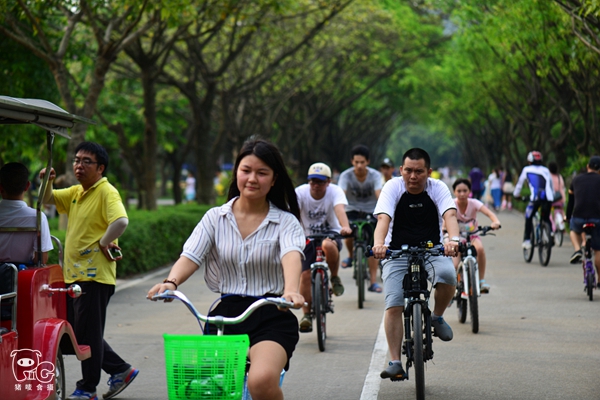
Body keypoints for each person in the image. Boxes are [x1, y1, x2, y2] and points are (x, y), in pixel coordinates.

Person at [147, 138, 305, 400]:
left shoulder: (285, 222)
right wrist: (171, 283)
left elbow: (291, 255)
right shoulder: (215, 217)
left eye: (262, 173)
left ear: (274, 179)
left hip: (272, 314)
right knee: (207, 391)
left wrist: (291, 290)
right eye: (246, 170)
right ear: (236, 173)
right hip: (226, 315)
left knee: (262, 381)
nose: (252, 178)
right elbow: (191, 256)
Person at [39, 142, 137, 400]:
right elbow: (48, 199)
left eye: (86, 161)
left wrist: (103, 243)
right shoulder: (76, 192)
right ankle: (120, 370)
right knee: (78, 331)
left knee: (88, 334)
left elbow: (121, 221)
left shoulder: (106, 191)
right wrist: (47, 181)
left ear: (100, 168)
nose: (78, 165)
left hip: (94, 277)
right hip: (75, 277)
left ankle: (87, 388)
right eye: (76, 160)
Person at [372, 148, 459, 381]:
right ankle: (395, 362)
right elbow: (383, 219)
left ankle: (437, 317)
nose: (413, 176)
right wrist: (379, 244)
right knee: (394, 305)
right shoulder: (392, 187)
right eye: (408, 171)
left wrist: (454, 241)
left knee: (449, 276)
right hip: (396, 252)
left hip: (432, 250)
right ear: (400, 170)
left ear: (428, 172)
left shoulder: (438, 188)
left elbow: (450, 215)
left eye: (419, 171)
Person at [295, 162, 352, 332]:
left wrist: (345, 226)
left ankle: (334, 277)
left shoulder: (335, 191)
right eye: (312, 181)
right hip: (307, 236)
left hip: (332, 233)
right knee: (305, 275)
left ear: (328, 182)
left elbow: (340, 209)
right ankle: (306, 314)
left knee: (328, 245)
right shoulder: (300, 192)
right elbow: (294, 213)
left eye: (320, 182)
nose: (316, 185)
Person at [338, 145, 383, 293]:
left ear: (368, 162)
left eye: (362, 162)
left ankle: (373, 281)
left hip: (371, 210)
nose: (359, 166)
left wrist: (383, 210)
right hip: (351, 210)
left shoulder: (375, 176)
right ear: (352, 161)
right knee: (348, 230)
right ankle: (351, 255)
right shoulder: (346, 176)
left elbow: (379, 194)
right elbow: (341, 196)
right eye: (356, 162)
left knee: (372, 243)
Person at [450, 178, 501, 293]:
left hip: (473, 235)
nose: (462, 194)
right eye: (459, 191)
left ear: (470, 191)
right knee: (454, 263)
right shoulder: (451, 204)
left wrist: (495, 222)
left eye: (465, 190)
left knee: (480, 249)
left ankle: (481, 280)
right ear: (454, 192)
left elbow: (489, 213)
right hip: (457, 237)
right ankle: (452, 287)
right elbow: (444, 218)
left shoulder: (474, 203)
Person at [0, 162, 53, 264]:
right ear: (27, 186)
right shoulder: (37, 217)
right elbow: (41, 260)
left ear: (0, 187)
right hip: (22, 276)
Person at [513, 151, 555, 250]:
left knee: (528, 216)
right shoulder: (546, 170)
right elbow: (551, 186)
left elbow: (519, 184)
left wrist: (516, 195)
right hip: (548, 199)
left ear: (530, 161)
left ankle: (527, 240)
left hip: (535, 199)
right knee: (546, 217)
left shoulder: (526, 169)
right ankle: (550, 233)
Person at [566, 155, 600, 268]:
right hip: (597, 218)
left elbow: (570, 201)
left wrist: (568, 216)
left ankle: (577, 250)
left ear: (587, 166)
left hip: (578, 218)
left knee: (573, 230)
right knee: (598, 250)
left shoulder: (576, 179)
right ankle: (599, 280)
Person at [548, 161, 566, 233]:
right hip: (560, 198)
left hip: (552, 199)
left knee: (549, 212)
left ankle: (552, 226)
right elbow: (562, 186)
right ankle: (564, 224)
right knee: (562, 211)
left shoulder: (548, 176)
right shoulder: (559, 176)